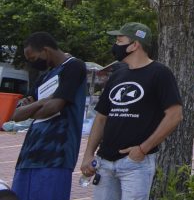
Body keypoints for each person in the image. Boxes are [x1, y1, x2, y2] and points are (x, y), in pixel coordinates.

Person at [80, 22, 183, 200]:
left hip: (135, 165)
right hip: (105, 162)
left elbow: (175, 115)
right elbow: (101, 118)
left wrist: (143, 149)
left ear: (135, 45)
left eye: (120, 41)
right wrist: (89, 154)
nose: (115, 45)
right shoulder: (117, 75)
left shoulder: (160, 73)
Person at [10, 32, 87, 200]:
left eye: (33, 58)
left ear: (46, 50)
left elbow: (54, 106)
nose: (32, 63)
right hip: (28, 157)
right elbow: (16, 114)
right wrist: (41, 102)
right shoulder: (44, 77)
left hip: (56, 156)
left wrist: (32, 108)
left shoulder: (74, 66)